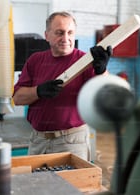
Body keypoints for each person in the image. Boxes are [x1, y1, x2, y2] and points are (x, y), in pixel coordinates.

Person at [13, 11, 112, 161]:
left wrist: (102, 71)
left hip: (72, 142)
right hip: (38, 140)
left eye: (70, 32)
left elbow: (105, 98)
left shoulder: (85, 61)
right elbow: (17, 98)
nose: (65, 38)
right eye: (59, 33)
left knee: (72, 184)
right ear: (47, 35)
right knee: (37, 184)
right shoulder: (35, 60)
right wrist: (38, 91)